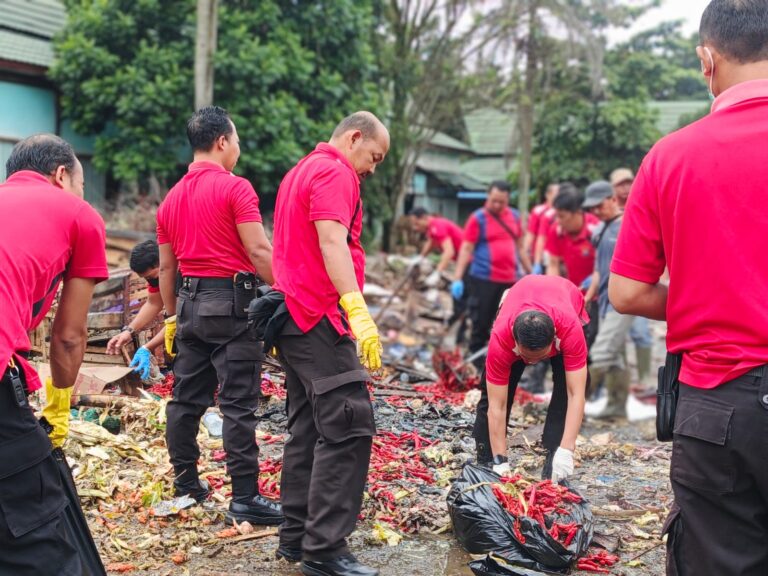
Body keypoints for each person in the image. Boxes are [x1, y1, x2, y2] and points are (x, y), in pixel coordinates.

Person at [609, 2, 768, 573]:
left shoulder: (671, 157)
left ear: (707, 59)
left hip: (717, 407)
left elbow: (626, 293)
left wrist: (715, 297)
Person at [271, 111, 388, 576]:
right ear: (354, 138)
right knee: (348, 421)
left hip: (293, 316)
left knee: (309, 427)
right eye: (374, 157)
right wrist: (356, 309)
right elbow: (331, 242)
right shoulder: (334, 172)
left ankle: (297, 538)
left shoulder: (300, 169)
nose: (372, 168)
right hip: (317, 315)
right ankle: (324, 549)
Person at [156, 106, 281, 525]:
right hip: (232, 305)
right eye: (238, 141)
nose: (239, 150)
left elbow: (166, 269)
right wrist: (290, 290)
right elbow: (260, 250)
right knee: (237, 405)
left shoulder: (170, 200)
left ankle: (187, 484)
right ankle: (245, 497)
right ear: (222, 142)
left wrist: (173, 316)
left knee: (185, 401)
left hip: (190, 305)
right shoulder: (235, 189)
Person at [0, 134, 108, 575]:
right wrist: (60, 405)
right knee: (36, 525)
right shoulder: (78, 214)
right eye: (82, 184)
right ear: (62, 175)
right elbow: (68, 336)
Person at [472, 275, 589, 481]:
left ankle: (553, 459)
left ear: (554, 336)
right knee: (491, 396)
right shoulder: (501, 338)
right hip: (520, 298)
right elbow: (496, 406)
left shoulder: (570, 330)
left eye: (540, 358)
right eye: (527, 357)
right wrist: (500, 460)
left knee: (563, 393)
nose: (533, 363)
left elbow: (576, 394)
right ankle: (487, 459)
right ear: (515, 339)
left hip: (565, 298)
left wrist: (567, 449)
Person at [452, 181, 532, 367]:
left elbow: (520, 247)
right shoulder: (478, 218)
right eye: (493, 200)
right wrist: (457, 278)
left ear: (507, 200)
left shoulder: (514, 216)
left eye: (501, 202)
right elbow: (466, 248)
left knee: (507, 324)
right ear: (488, 197)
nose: (496, 205)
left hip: (510, 281)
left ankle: (503, 362)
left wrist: (531, 272)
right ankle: (476, 363)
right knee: (481, 322)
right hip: (483, 280)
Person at [581, 181, 632, 418]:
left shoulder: (627, 225)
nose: (596, 212)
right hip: (604, 301)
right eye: (592, 209)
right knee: (615, 357)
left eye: (599, 206)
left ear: (613, 199)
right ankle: (616, 407)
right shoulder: (600, 230)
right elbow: (598, 270)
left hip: (623, 302)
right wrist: (588, 297)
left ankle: (574, 405)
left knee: (601, 353)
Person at [610, 167, 654, 386]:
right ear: (613, 188)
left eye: (629, 182)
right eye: (621, 184)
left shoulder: (643, 208)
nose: (626, 188)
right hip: (617, 284)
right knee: (615, 340)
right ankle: (623, 385)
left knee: (641, 333)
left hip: (640, 283)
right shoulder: (608, 214)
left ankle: (645, 378)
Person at [106, 239, 166, 379]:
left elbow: (179, 321)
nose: (151, 281)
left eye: (151, 276)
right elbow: (153, 303)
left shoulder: (184, 274)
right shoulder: (157, 278)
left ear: (162, 262)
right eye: (146, 278)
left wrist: (147, 347)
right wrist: (129, 331)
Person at [409, 207, 463, 286]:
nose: (415, 228)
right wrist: (421, 257)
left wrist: (437, 273)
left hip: (471, 260)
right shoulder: (432, 228)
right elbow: (431, 242)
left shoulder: (437, 226)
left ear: (424, 218)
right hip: (463, 260)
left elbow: (449, 252)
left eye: (417, 223)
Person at [524, 183, 559, 274]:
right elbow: (531, 234)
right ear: (548, 195)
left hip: (555, 256)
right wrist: (526, 254)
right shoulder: (538, 211)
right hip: (540, 256)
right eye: (556, 193)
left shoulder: (564, 213)